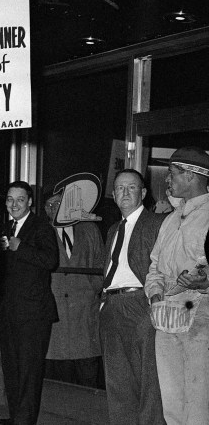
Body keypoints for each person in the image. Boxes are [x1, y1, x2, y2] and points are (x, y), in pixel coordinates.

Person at [145, 146, 209, 424]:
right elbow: (155, 266)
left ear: (192, 175)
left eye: (172, 174)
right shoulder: (171, 219)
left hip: (200, 313)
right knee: (171, 399)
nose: (167, 181)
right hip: (166, 314)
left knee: (197, 399)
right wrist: (155, 293)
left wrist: (204, 281)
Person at [99, 169, 166, 424]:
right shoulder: (113, 229)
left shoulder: (157, 224)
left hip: (141, 305)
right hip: (112, 307)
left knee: (149, 385)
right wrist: (104, 303)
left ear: (143, 193)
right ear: (114, 195)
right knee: (118, 385)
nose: (124, 193)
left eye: (131, 187)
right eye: (119, 188)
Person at [0, 181, 59, 425]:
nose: (14, 204)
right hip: (9, 311)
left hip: (34, 314)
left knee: (28, 373)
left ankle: (24, 421)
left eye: (20, 199)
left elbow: (50, 260)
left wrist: (20, 246)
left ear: (30, 202)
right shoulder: (5, 227)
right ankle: (16, 418)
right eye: (10, 199)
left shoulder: (41, 226)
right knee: (11, 370)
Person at [44, 191, 105, 387]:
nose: (55, 208)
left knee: (88, 383)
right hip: (55, 324)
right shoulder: (42, 231)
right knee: (57, 388)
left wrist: (91, 291)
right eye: (50, 205)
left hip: (85, 320)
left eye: (59, 204)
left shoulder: (90, 230)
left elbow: (101, 265)